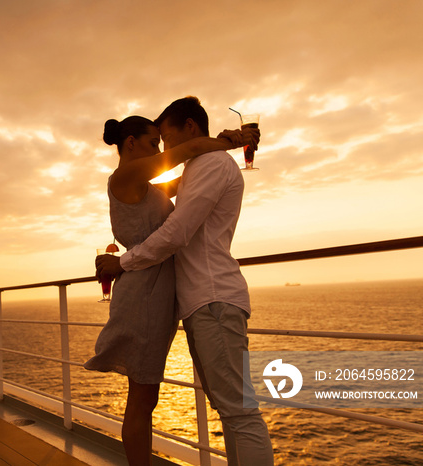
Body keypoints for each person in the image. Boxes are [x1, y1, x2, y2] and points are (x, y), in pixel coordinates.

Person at [96, 96, 273, 465]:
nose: (162, 148)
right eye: (153, 142)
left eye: (164, 139)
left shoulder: (167, 182)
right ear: (131, 144)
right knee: (145, 398)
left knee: (219, 408)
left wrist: (220, 145)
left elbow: (184, 178)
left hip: (181, 296)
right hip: (148, 294)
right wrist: (232, 140)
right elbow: (189, 151)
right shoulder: (127, 176)